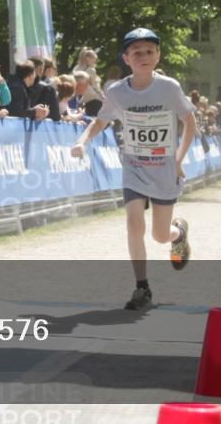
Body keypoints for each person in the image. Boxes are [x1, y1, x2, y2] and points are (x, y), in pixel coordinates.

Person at [70, 28, 196, 310]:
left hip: (164, 169)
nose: (144, 56)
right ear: (126, 58)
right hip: (134, 168)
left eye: (150, 51)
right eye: (137, 52)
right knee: (133, 223)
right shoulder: (117, 91)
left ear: (158, 55)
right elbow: (100, 121)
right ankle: (142, 287)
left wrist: (178, 159)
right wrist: (81, 141)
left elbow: (189, 122)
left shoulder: (169, 87)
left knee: (160, 235)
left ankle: (178, 234)